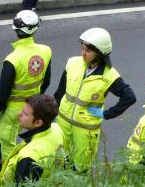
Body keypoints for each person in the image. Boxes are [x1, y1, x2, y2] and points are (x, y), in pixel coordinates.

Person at [54, 28, 136, 171]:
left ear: (100, 53)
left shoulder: (109, 76)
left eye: (88, 50)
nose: (83, 53)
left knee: (80, 168)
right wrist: (52, 111)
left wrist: (106, 114)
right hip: (63, 123)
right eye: (82, 48)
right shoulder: (72, 63)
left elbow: (129, 97)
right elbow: (60, 92)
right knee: (59, 163)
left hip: (85, 131)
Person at [0, 10, 52, 171]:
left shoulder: (12, 59)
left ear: (15, 30)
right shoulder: (46, 51)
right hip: (32, 105)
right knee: (27, 134)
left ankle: (7, 170)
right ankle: (0, 155)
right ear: (35, 29)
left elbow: (2, 94)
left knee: (7, 140)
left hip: (12, 110)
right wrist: (35, 100)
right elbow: (47, 81)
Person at [0, 94, 64, 185]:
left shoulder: (29, 158)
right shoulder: (57, 129)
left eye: (25, 113)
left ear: (38, 122)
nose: (19, 114)